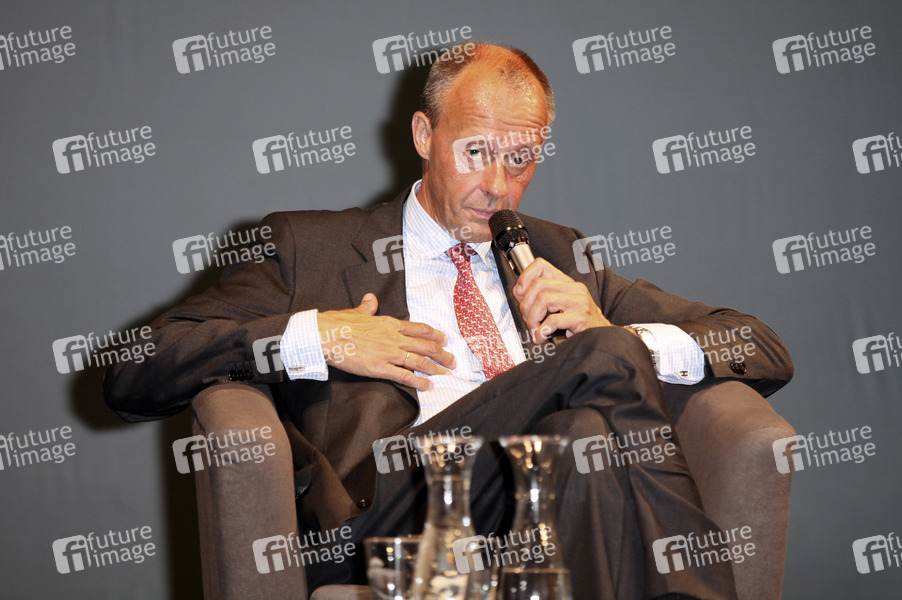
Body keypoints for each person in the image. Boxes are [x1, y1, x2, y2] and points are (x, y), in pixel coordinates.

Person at [105, 43, 792, 599]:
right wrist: (319, 335)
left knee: (583, 426)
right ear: (424, 134)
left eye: (520, 159)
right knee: (604, 360)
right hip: (393, 512)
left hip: (541, 502)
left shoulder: (559, 255)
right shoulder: (307, 247)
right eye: (476, 152)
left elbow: (760, 345)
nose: (497, 185)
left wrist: (615, 337)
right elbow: (137, 367)